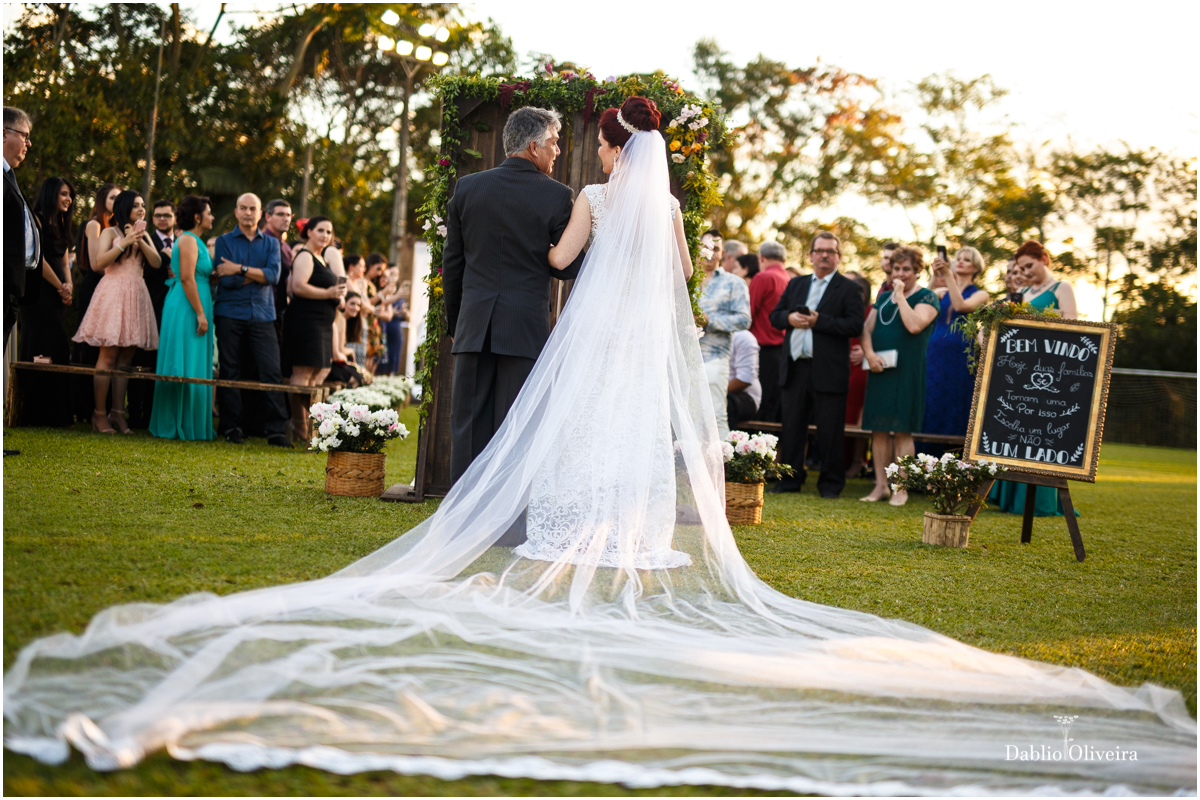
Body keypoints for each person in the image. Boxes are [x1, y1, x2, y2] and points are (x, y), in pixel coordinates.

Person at [7, 98, 1193, 799]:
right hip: (653, 345)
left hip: (586, 337)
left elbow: (570, 259)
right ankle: (625, 534)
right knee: (629, 441)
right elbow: (674, 286)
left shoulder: (598, 194)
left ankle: (576, 532)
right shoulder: (674, 212)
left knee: (556, 430)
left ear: (611, 142)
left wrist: (580, 239)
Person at [442, 104, 583, 489]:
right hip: (524, 329)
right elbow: (566, 268)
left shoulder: (468, 187)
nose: (558, 150)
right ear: (534, 147)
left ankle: (460, 518)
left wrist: (456, 326)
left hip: (473, 328)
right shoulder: (557, 196)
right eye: (554, 143)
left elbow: (452, 265)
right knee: (517, 426)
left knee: (468, 426)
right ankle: (506, 521)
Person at [768, 232, 864, 497]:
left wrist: (818, 321)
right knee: (792, 427)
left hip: (829, 370)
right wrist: (789, 318)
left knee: (830, 430)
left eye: (830, 251)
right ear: (810, 255)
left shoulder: (849, 288)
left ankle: (831, 485)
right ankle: (789, 481)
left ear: (839, 257)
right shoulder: (796, 284)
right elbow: (774, 316)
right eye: (820, 251)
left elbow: (855, 325)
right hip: (795, 367)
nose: (824, 255)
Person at [987, 240, 1079, 517]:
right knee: (1016, 428)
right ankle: (1009, 497)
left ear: (1044, 260)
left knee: (1043, 433)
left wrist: (1034, 317)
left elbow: (1072, 322)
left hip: (1052, 370)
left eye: (1029, 266)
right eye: (1020, 268)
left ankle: (1041, 502)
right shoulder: (1022, 292)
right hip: (1021, 369)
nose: (1025, 272)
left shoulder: (1061, 288)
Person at [71, 190, 161, 434]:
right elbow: (99, 263)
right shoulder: (109, 232)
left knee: (125, 360)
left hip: (136, 294)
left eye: (143, 205)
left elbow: (156, 262)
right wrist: (125, 241)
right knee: (108, 357)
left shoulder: (144, 235)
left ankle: (118, 414)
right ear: (123, 209)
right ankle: (98, 415)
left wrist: (139, 239)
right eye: (135, 206)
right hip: (113, 293)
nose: (141, 209)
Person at [859, 245, 939, 505]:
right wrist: (869, 354)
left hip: (908, 371)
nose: (901, 273)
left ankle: (901, 488)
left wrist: (901, 295)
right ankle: (880, 486)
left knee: (903, 431)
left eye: (907, 269)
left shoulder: (928, 297)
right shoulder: (881, 298)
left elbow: (915, 325)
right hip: (880, 369)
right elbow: (866, 330)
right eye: (897, 269)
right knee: (878, 430)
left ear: (918, 271)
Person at [212, 192, 290, 447]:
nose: (247, 213)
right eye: (242, 208)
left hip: (263, 314)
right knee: (230, 370)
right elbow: (227, 280)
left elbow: (273, 276)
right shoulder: (224, 241)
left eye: (252, 208)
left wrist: (240, 268)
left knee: (271, 371)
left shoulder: (271, 244)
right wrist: (252, 275)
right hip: (229, 313)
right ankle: (231, 426)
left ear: (260, 214)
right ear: (236, 212)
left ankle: (276, 431)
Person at [149, 195, 216, 441]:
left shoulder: (196, 240)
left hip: (197, 301)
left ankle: (192, 423)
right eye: (209, 213)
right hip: (187, 305)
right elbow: (187, 278)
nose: (212, 217)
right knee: (183, 360)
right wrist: (200, 312)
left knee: (195, 360)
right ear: (198, 217)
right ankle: (176, 423)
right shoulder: (187, 240)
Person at [17, 177, 75, 427]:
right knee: (40, 346)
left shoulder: (61, 223)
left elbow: (63, 260)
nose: (68, 199)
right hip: (39, 295)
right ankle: (35, 413)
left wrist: (69, 284)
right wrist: (60, 286)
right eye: (64, 194)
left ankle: (57, 413)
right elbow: (37, 262)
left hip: (58, 294)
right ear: (51, 194)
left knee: (58, 346)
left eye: (70, 195)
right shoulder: (36, 220)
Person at [282, 215, 345, 440]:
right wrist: (328, 293)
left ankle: (309, 428)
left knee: (315, 374)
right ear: (308, 232)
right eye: (320, 230)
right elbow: (298, 287)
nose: (325, 236)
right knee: (301, 373)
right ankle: (300, 428)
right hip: (305, 323)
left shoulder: (322, 258)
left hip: (322, 324)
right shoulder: (305, 256)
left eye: (329, 232)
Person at [922, 247, 990, 442]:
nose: (960, 261)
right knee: (932, 398)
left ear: (976, 268)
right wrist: (935, 276)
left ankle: (952, 456)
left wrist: (948, 276)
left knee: (956, 399)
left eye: (966, 260)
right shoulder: (942, 291)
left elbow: (961, 306)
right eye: (958, 258)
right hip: (935, 349)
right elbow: (922, 302)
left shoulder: (980, 294)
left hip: (961, 352)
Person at [69, 183, 120, 423]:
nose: (117, 202)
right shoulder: (94, 225)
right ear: (102, 200)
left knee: (106, 346)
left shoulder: (116, 228)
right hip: (94, 288)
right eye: (113, 198)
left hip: (110, 289)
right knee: (88, 347)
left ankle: (105, 406)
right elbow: (95, 263)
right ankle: (84, 406)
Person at [127, 198, 178, 428]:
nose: (161, 219)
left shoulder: (183, 242)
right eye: (157, 215)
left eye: (166, 215)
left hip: (176, 311)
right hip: (150, 307)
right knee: (142, 361)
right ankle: (138, 416)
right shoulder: (145, 238)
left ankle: (159, 414)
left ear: (174, 218)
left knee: (164, 363)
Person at [696, 228, 750, 440]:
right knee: (687, 416)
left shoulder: (733, 283)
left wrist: (710, 321)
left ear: (723, 253)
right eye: (705, 246)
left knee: (715, 415)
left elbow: (744, 320)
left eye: (715, 248)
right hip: (685, 356)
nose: (710, 251)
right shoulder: (686, 278)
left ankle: (722, 469)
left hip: (714, 357)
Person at [3, 107, 41, 360]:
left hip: (11, 287)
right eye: (24, 135)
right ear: (4, 133)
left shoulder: (9, 177)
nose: (28, 143)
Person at [748, 240, 790, 422]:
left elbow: (748, 312)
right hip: (782, 351)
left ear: (762, 258)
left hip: (762, 350)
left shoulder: (763, 277)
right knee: (773, 404)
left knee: (760, 405)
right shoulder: (789, 280)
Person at [844, 273, 872, 477]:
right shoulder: (842, 309)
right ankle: (842, 460)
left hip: (862, 367)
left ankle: (858, 460)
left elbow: (876, 333)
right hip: (842, 365)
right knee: (844, 413)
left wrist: (866, 350)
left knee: (858, 415)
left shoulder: (870, 311)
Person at [261, 199, 295, 342]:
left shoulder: (286, 248)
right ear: (268, 217)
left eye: (288, 215)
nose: (286, 219)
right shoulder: (260, 242)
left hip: (280, 313)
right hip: (262, 312)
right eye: (281, 214)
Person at [726, 328, 760, 431]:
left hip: (744, 395)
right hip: (711, 392)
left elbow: (745, 379)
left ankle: (725, 444)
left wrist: (714, 393)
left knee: (723, 404)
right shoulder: (699, 334)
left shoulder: (743, 336)